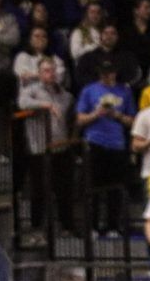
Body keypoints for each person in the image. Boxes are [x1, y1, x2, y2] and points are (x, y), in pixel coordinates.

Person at [18, 57, 76, 236]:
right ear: (39, 72)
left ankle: (66, 227)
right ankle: (37, 228)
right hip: (40, 148)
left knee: (64, 189)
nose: (50, 74)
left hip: (60, 147)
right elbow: (23, 103)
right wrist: (47, 105)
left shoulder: (64, 95)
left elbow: (70, 107)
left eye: (52, 70)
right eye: (45, 70)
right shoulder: (31, 90)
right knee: (39, 189)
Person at [76, 61, 136, 234]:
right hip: (95, 142)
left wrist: (116, 115)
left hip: (117, 144)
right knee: (93, 187)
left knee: (115, 188)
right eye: (103, 73)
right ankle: (93, 226)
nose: (106, 76)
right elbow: (79, 120)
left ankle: (113, 226)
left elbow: (132, 121)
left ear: (115, 73)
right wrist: (97, 113)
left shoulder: (124, 91)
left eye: (109, 72)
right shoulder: (89, 90)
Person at [74, 22, 143, 90]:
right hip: (95, 94)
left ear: (117, 37)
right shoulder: (88, 57)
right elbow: (80, 76)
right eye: (106, 33)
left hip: (120, 93)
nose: (109, 36)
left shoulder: (127, 57)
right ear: (100, 36)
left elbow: (135, 75)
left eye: (113, 33)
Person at [122, 0, 150, 81]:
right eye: (146, 8)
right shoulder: (126, 30)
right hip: (131, 70)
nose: (149, 11)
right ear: (136, 10)